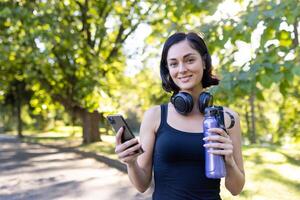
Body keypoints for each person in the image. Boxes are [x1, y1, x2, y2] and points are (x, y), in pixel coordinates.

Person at [115, 32, 245, 200]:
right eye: (174, 64)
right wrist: (131, 163)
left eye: (190, 60)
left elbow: (236, 189)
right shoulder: (155, 116)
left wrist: (229, 161)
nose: (182, 69)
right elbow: (142, 185)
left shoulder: (228, 118)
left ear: (204, 62)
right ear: (168, 70)